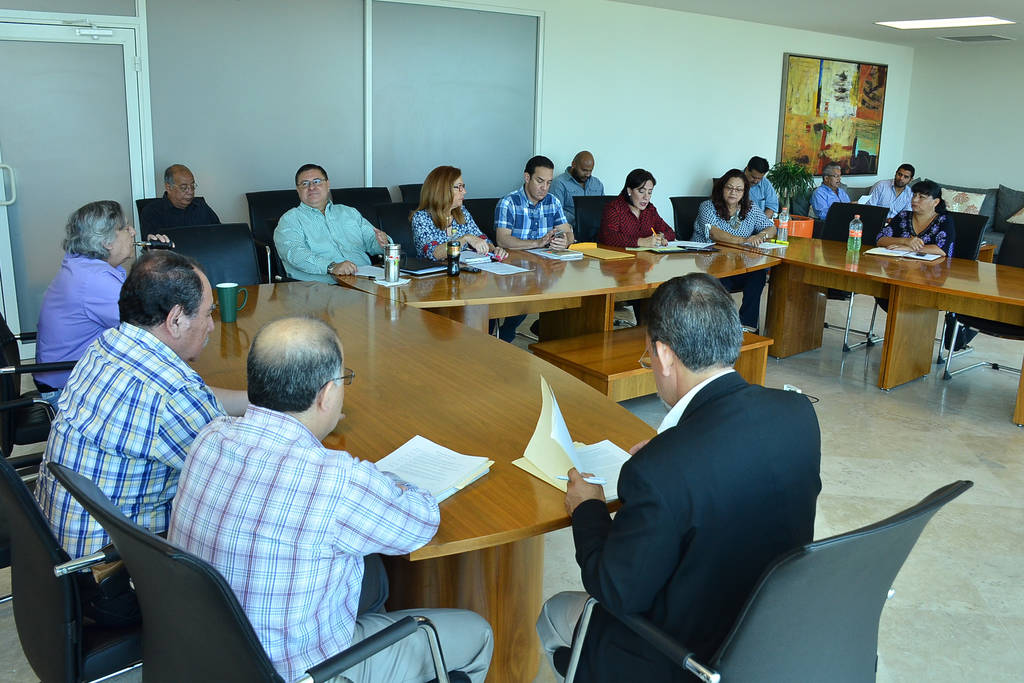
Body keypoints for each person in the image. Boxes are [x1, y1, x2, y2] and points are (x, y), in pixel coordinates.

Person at [169, 317, 493, 683]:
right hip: (302, 674)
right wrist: (385, 479)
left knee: (372, 575)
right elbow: (421, 523)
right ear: (326, 395)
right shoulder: (335, 479)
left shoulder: (210, 437)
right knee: (476, 634)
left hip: (204, 653)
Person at [536, 273, 821, 681]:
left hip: (682, 658)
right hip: (769, 638)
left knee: (553, 613)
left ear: (665, 355)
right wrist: (668, 451)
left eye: (649, 355)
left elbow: (615, 589)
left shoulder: (659, 470)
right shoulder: (798, 414)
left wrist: (589, 509)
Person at [34, 250, 248, 557]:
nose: (211, 326)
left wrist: (254, 402)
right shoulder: (173, 394)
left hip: (57, 545)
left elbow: (196, 396)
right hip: (110, 565)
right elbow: (241, 483)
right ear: (175, 320)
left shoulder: (108, 345)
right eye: (206, 314)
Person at [34, 201, 167, 405]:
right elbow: (151, 328)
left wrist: (153, 261)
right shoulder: (93, 281)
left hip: (70, 375)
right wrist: (164, 265)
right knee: (166, 395)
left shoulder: (81, 265)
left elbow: (138, 299)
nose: (133, 232)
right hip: (69, 389)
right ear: (106, 242)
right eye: (125, 227)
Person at [274, 164, 389, 282]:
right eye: (305, 184)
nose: (312, 187)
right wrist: (331, 267)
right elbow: (294, 254)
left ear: (327, 184)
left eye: (317, 181)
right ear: (298, 190)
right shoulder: (290, 220)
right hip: (320, 287)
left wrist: (383, 244)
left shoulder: (349, 212)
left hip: (366, 279)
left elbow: (372, 240)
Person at [693, 169, 775, 330]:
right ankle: (719, 329)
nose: (733, 192)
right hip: (709, 266)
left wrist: (761, 235)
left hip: (737, 265)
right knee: (720, 281)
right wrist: (745, 241)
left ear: (744, 192)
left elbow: (771, 228)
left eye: (738, 189)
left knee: (758, 275)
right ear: (721, 188)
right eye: (729, 188)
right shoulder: (707, 207)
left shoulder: (750, 208)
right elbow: (714, 233)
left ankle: (747, 325)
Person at [411, 165, 508, 262]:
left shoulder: (462, 211)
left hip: (463, 268)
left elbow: (479, 237)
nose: (464, 191)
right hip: (436, 270)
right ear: (442, 190)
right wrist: (465, 239)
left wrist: (494, 249)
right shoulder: (421, 218)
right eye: (459, 187)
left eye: (463, 187)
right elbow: (433, 253)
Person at [495, 155, 575, 250]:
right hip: (517, 257)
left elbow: (569, 233)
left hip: (546, 258)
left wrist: (565, 242)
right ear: (527, 177)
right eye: (540, 181)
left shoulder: (553, 202)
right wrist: (537, 243)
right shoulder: (508, 203)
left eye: (549, 182)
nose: (544, 187)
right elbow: (502, 240)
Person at [876, 179, 956, 257]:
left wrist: (910, 249)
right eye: (914, 195)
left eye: (921, 197)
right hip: (900, 263)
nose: (914, 200)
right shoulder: (903, 216)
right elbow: (880, 240)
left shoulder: (944, 220)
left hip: (934, 265)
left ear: (935, 202)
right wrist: (905, 241)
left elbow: (942, 250)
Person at [597, 168, 675, 247]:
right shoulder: (614, 208)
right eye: (641, 191)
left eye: (649, 192)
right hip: (617, 254)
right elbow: (609, 237)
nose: (646, 197)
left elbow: (670, 232)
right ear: (629, 191)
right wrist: (640, 242)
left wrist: (661, 237)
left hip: (643, 255)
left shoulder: (650, 210)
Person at [139, 164, 220, 231]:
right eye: (184, 187)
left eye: (192, 186)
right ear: (168, 188)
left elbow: (219, 232)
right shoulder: (152, 212)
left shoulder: (201, 206)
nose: (190, 191)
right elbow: (150, 243)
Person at [550, 151, 605, 228]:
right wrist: (579, 219)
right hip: (570, 230)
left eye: (590, 170)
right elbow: (555, 211)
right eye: (584, 170)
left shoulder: (597, 184)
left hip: (595, 230)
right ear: (573, 164)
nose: (588, 174)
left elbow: (604, 208)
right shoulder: (559, 183)